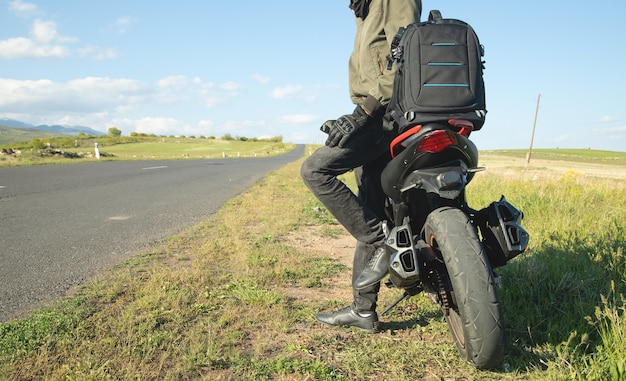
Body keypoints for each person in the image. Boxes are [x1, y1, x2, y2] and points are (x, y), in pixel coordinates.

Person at [300, 0, 422, 333]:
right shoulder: (366, 10)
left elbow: (406, 59)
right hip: (372, 112)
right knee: (368, 206)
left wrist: (363, 113)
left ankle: (382, 238)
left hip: (383, 115)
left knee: (315, 170)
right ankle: (363, 310)